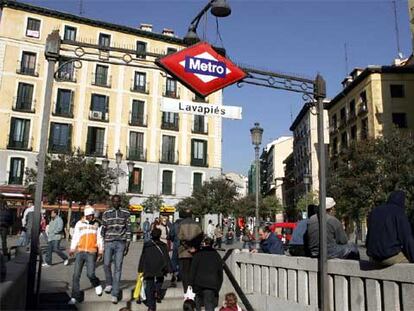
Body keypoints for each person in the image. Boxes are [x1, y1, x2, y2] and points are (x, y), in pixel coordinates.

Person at [366, 190, 414, 265]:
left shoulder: (375, 211)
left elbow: (369, 238)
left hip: (373, 257)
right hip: (389, 256)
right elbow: (407, 239)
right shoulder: (399, 213)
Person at [68, 206, 103, 305]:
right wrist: (72, 248)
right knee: (76, 275)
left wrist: (100, 251)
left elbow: (99, 238)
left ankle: (96, 284)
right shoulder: (79, 223)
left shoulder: (97, 224)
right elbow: (75, 237)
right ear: (85, 216)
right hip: (80, 251)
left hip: (91, 252)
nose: (91, 217)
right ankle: (75, 296)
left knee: (90, 274)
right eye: (89, 216)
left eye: (92, 215)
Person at [101, 195, 131, 304]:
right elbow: (103, 228)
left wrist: (128, 244)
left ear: (120, 202)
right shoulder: (106, 213)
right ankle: (109, 283)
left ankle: (115, 293)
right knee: (106, 263)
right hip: (109, 242)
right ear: (111, 202)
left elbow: (128, 228)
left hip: (121, 243)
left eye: (118, 201)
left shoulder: (126, 213)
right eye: (114, 201)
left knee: (118, 268)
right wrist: (102, 241)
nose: (116, 203)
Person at [138, 228, 172, 311]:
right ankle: (157, 290)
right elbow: (166, 257)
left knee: (149, 285)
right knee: (160, 278)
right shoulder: (163, 245)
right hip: (160, 267)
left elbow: (143, 257)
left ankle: (151, 306)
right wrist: (169, 268)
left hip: (149, 267)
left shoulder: (147, 245)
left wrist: (140, 268)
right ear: (160, 235)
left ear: (151, 235)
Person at [190, 237, 223, 311]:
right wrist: (217, 287)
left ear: (204, 244)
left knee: (197, 304)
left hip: (198, 283)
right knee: (209, 305)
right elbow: (220, 273)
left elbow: (193, 270)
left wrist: (191, 283)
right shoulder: (216, 255)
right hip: (211, 284)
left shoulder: (198, 254)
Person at [178, 208, 203, 294]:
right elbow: (200, 237)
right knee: (194, 271)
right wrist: (194, 247)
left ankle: (186, 290)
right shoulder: (197, 224)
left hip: (184, 252)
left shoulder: (180, 224)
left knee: (185, 272)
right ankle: (193, 288)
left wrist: (187, 247)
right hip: (195, 251)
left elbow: (180, 238)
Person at [168, 215, 183, 287]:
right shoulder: (185, 224)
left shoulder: (175, 224)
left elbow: (171, 234)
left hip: (176, 244)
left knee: (174, 259)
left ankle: (174, 273)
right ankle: (180, 274)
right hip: (183, 245)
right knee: (181, 260)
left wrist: (172, 239)